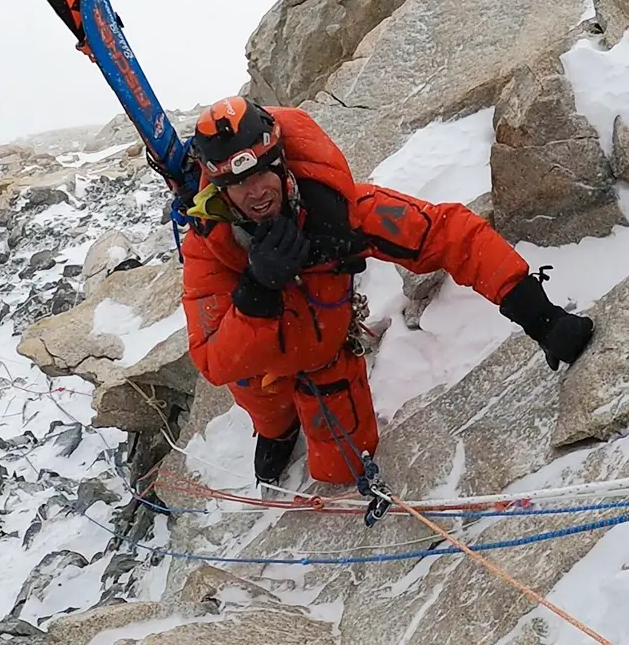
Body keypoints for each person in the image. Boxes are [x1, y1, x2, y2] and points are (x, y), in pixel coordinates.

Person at [180, 97, 594, 486]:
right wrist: (257, 290)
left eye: (259, 173)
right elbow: (214, 359)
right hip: (261, 369)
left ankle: (289, 421)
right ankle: (277, 428)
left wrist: (539, 315)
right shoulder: (211, 250)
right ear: (220, 190)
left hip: (326, 358)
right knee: (264, 399)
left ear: (280, 162)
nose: (255, 192)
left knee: (343, 470)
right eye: (238, 183)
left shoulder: (337, 212)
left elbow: (450, 235)